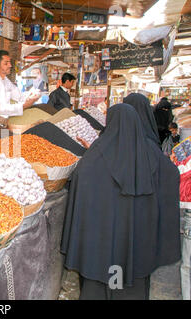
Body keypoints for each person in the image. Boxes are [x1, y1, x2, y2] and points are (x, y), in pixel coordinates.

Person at [61, 103, 181, 300]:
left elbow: (80, 184)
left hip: (100, 249)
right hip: (136, 249)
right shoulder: (149, 155)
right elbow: (171, 174)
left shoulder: (95, 157)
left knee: (97, 288)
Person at [0, 50, 41, 126]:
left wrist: (30, 95)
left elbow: (18, 96)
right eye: (6, 63)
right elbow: (1, 109)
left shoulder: (5, 80)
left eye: (9, 62)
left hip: (4, 119)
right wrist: (23, 106)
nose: (10, 65)